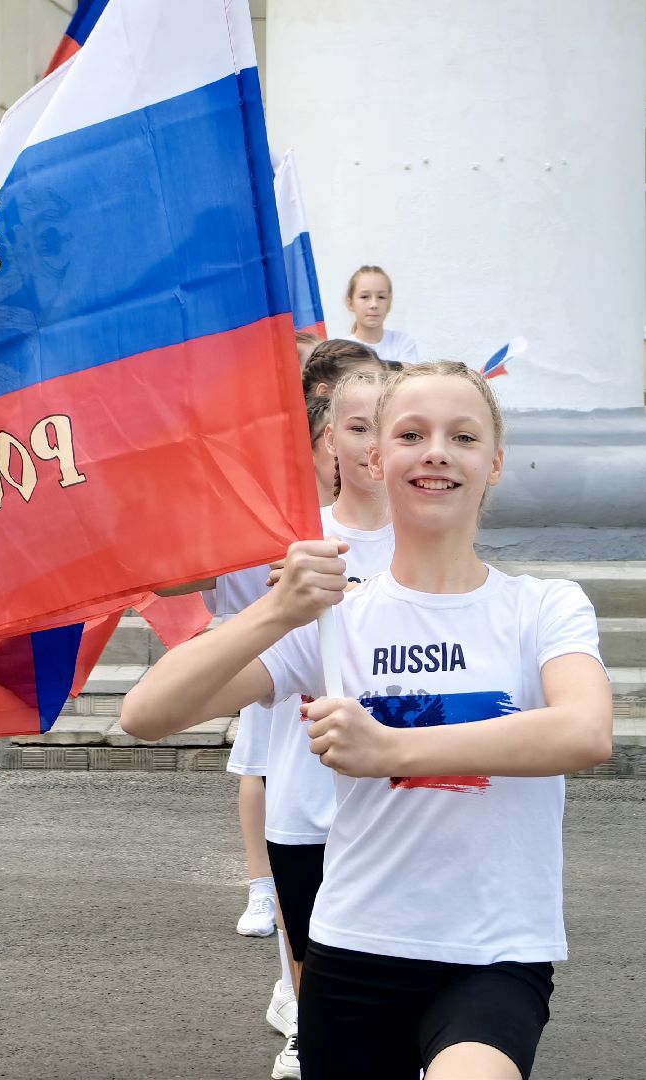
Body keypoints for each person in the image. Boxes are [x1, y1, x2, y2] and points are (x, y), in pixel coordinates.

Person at [120, 362, 612, 1079]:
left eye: (463, 436)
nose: (437, 451)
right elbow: (147, 713)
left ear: (494, 464)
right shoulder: (334, 621)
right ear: (376, 459)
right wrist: (277, 611)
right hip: (354, 948)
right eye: (412, 434)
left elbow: (584, 731)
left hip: (492, 955)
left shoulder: (545, 606)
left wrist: (391, 748)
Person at [264, 370, 395, 1079]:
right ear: (329, 440)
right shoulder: (297, 540)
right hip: (305, 793)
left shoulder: (428, 539)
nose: (374, 445)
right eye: (357, 427)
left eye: (390, 426)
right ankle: (308, 1034)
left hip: (396, 796)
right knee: (314, 952)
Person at [340, 265, 421, 366]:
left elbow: (411, 377)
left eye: (381, 297)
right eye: (364, 296)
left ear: (389, 304)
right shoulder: (341, 350)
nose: (374, 304)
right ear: (350, 303)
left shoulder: (403, 342)